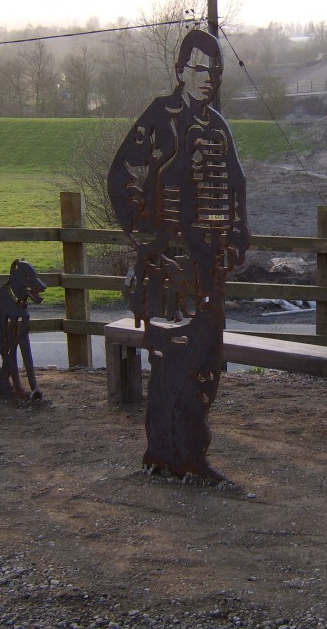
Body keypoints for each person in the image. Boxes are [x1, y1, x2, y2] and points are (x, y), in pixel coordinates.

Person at [108, 29, 250, 480]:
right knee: (170, 363)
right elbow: (122, 178)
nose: (210, 77)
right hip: (170, 268)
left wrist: (236, 240)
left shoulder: (220, 128)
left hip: (208, 271)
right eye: (201, 68)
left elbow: (237, 190)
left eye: (216, 69)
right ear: (181, 71)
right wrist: (150, 241)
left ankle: (188, 456)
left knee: (206, 362)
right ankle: (167, 456)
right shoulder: (159, 116)